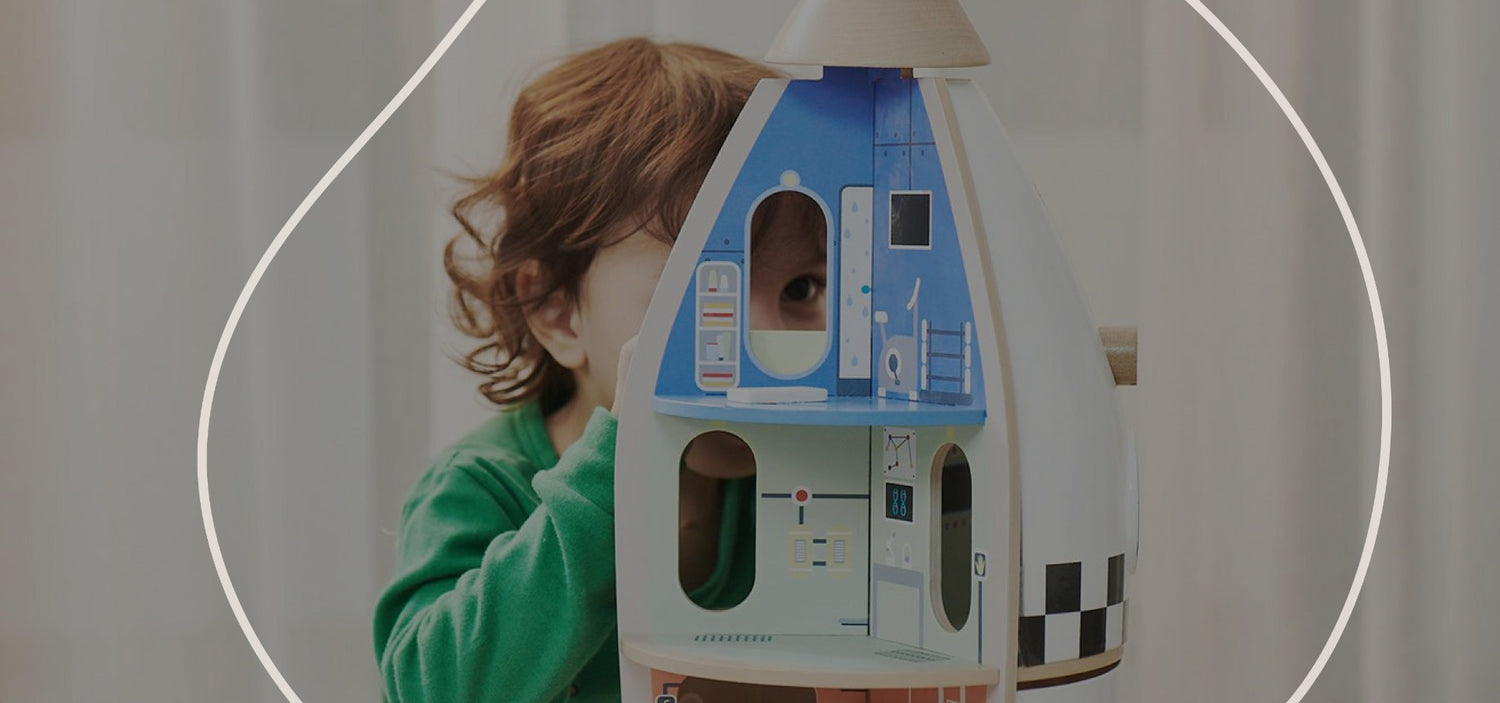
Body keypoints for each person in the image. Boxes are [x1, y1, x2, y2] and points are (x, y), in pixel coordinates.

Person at [372, 38, 828, 703]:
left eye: (801, 291)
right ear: (556, 311)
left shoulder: (816, 478)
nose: (763, 344)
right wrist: (615, 477)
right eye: (704, 294)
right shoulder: (480, 488)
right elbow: (432, 688)